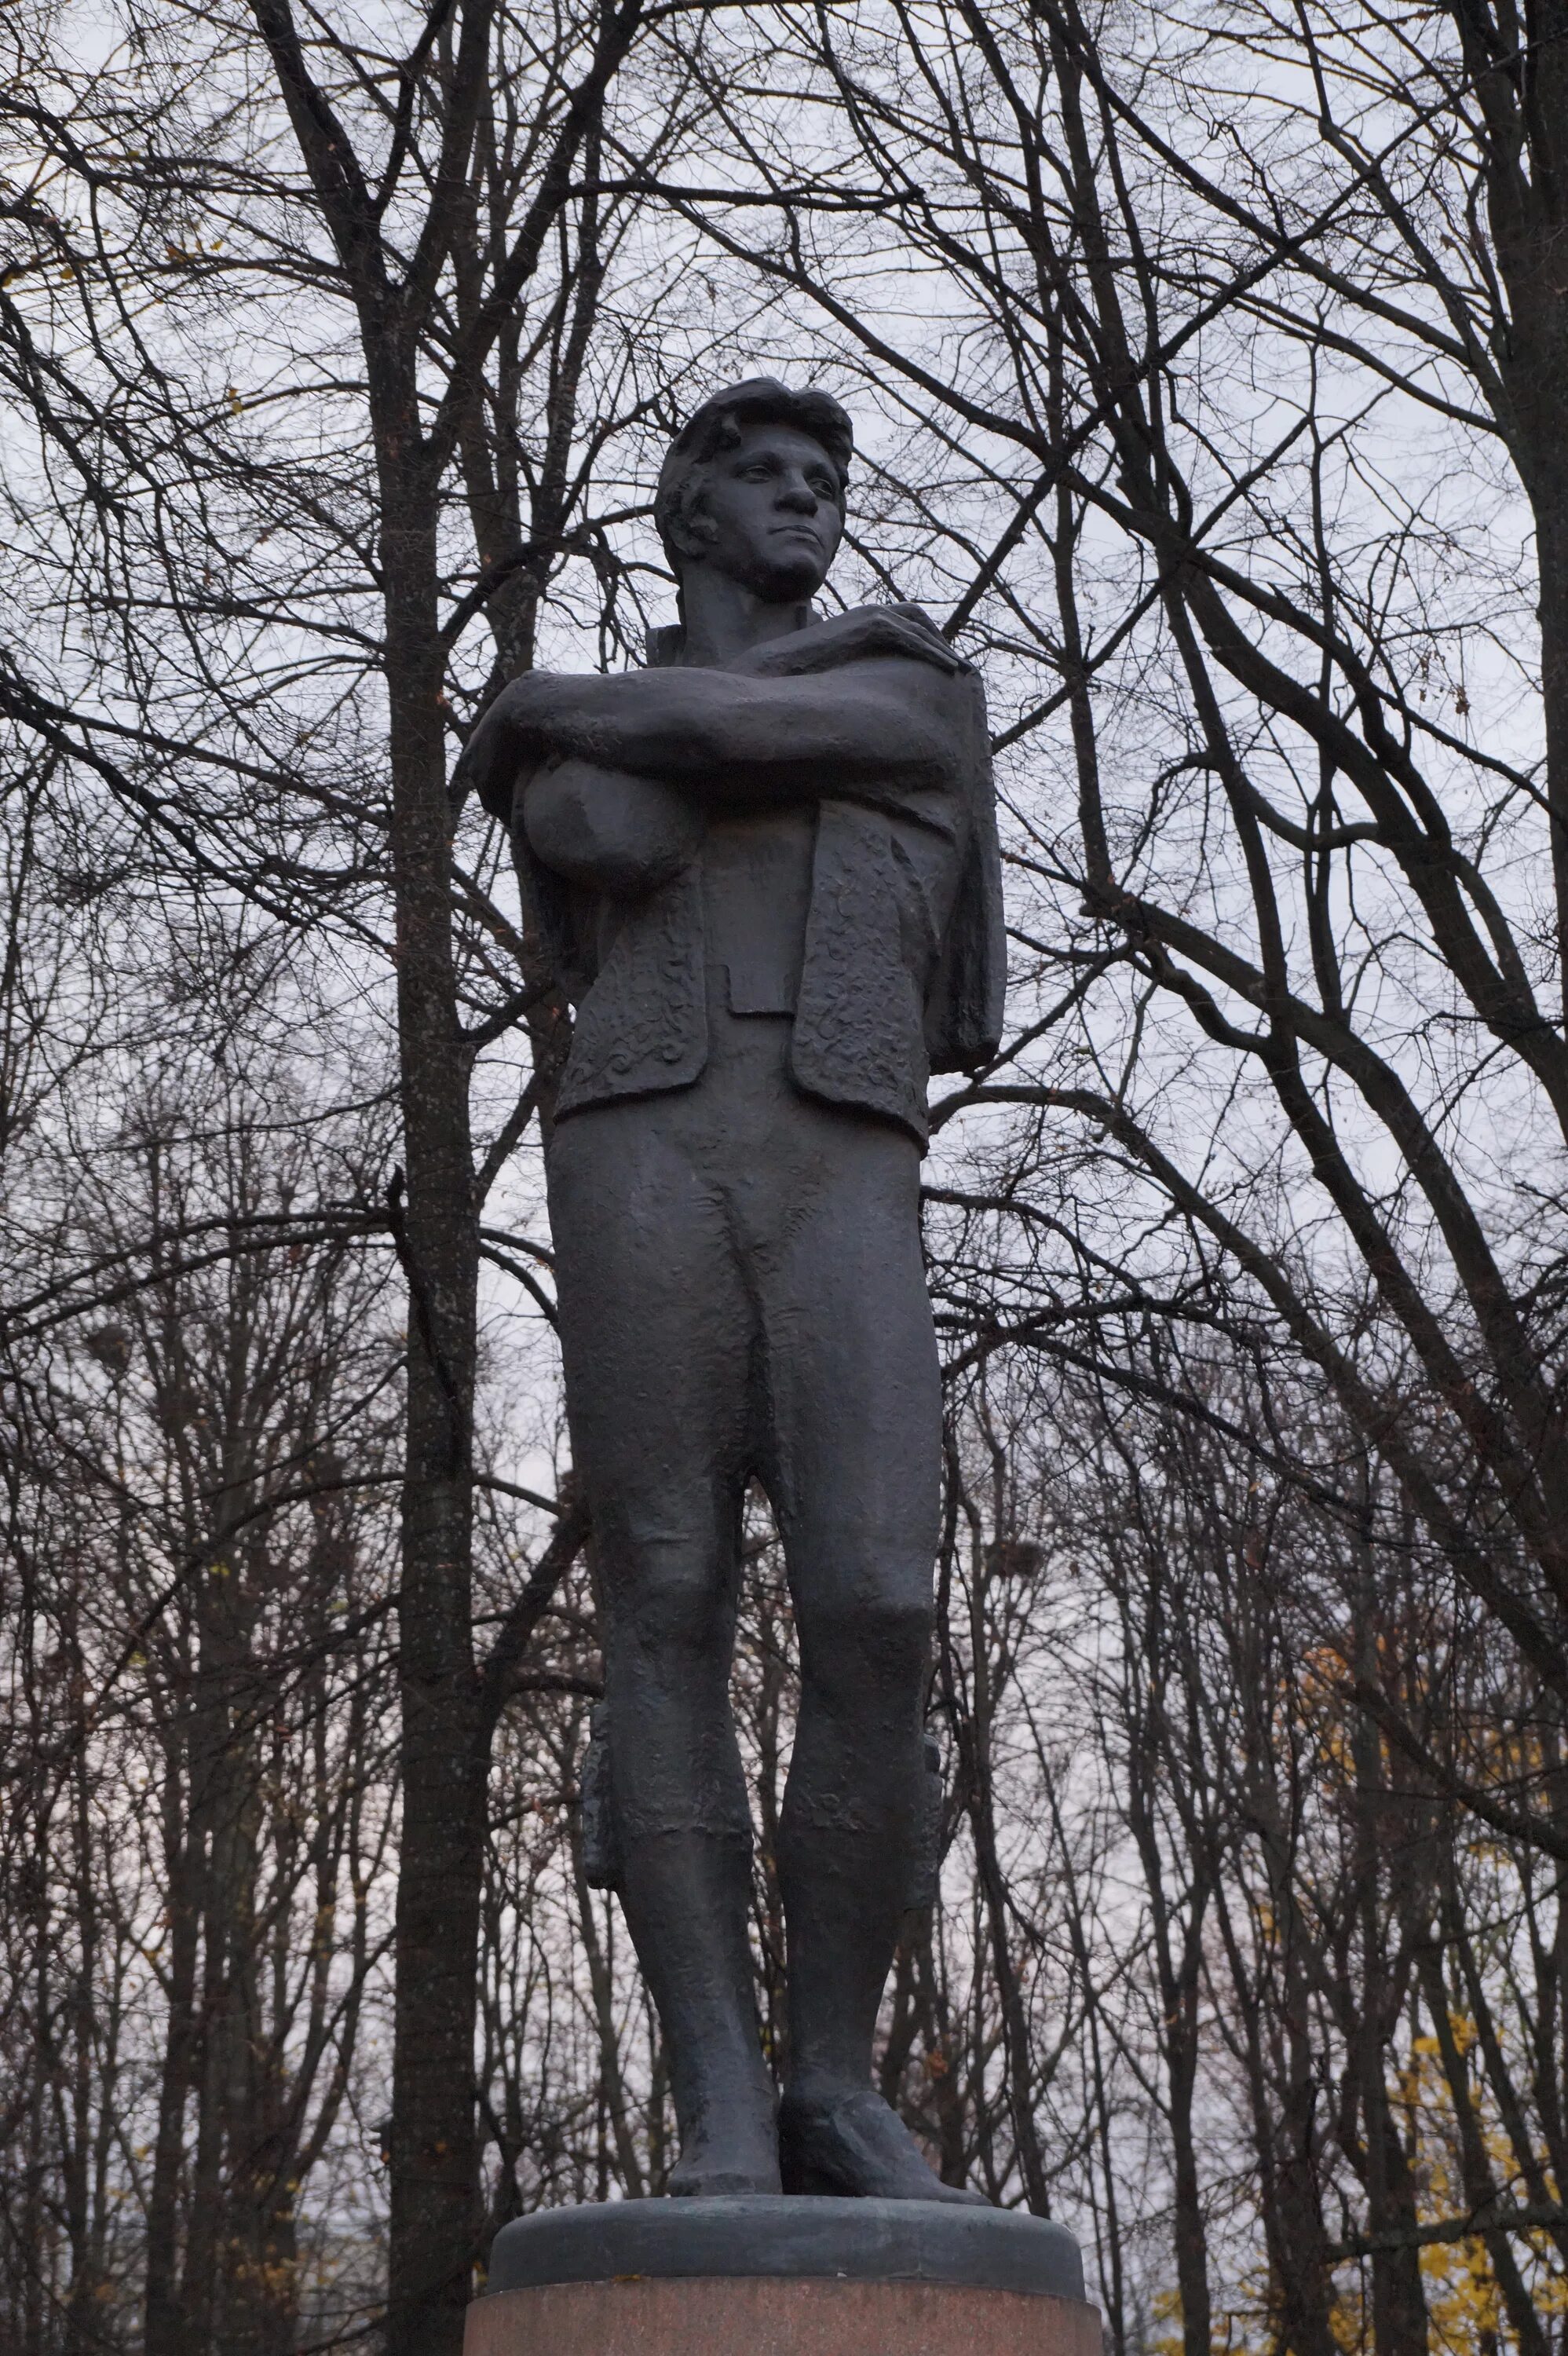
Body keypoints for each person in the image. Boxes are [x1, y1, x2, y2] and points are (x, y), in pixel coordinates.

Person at [460, 379, 1004, 2201]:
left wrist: (560, 704)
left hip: (844, 1142)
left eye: (824, 479)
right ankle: (716, 2096)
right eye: (761, 477)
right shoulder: (637, 738)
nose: (803, 499)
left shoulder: (916, 681)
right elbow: (598, 833)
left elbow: (659, 743)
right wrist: (631, 731)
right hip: (643, 1138)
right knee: (664, 1596)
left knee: (877, 1603)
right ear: (690, 514)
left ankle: (833, 2081)